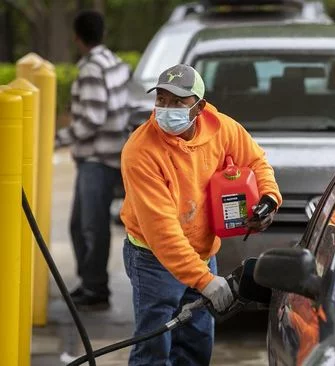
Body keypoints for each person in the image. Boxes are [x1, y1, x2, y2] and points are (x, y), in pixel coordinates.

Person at [120, 63, 282, 365]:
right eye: (161, 100)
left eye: (178, 102)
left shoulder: (222, 129)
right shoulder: (140, 151)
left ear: (199, 107)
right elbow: (162, 230)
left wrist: (269, 198)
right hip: (153, 260)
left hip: (202, 251)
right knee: (153, 348)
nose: (166, 109)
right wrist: (204, 280)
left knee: (196, 345)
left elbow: (257, 162)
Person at [55, 9, 131, 311]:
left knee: (88, 227)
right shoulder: (114, 62)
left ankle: (95, 288)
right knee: (88, 225)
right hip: (114, 154)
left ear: (77, 37)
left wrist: (57, 139)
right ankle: (92, 284)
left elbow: (93, 118)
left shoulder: (90, 68)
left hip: (97, 159)